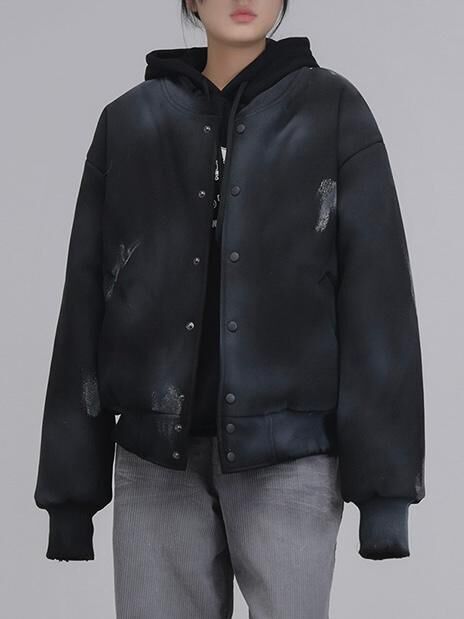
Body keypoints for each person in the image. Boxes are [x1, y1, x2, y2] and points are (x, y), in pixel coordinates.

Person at [34, 1, 426, 617]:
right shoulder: (129, 123)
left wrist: (385, 491)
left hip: (291, 459)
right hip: (153, 463)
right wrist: (69, 495)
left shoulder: (333, 112)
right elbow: (84, 302)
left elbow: (378, 303)